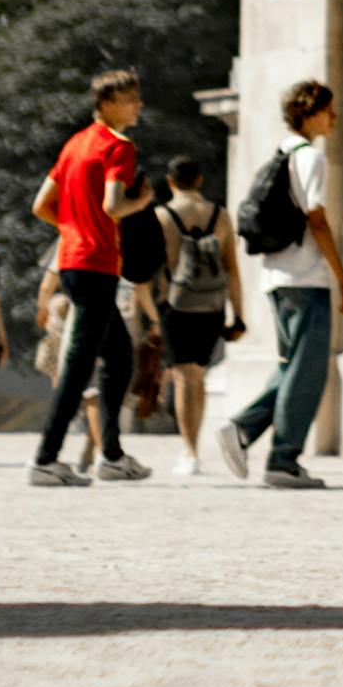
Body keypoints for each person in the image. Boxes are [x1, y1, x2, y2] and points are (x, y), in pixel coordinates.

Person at [221, 79, 343, 484]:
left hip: (277, 276)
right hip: (305, 276)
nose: (334, 118)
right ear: (310, 113)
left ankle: (243, 429)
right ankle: (283, 459)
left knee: (292, 365)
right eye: (329, 110)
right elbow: (316, 217)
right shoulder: (311, 157)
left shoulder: (281, 153)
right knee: (307, 371)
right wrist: (342, 278)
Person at [30, 69, 153, 485]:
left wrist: (70, 229)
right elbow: (114, 205)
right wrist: (143, 201)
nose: (138, 104)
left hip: (74, 262)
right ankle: (46, 458)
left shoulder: (74, 144)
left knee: (119, 357)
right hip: (96, 263)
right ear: (105, 105)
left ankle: (112, 455)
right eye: (129, 98)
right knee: (79, 367)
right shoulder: (119, 147)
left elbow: (41, 204)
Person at [152, 162, 237, 465]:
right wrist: (237, 313)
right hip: (212, 305)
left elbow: (153, 267)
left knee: (184, 377)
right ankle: (194, 445)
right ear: (199, 179)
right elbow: (232, 268)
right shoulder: (221, 215)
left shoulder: (162, 216)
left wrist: (151, 312)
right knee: (197, 376)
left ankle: (190, 452)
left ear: (170, 180)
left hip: (175, 305)